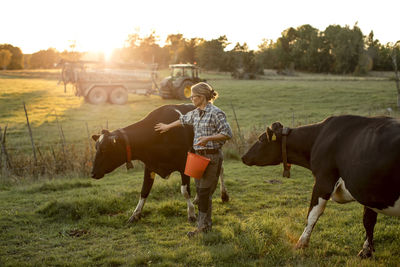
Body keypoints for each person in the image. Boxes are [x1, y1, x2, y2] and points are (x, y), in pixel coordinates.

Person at [154, 82, 233, 237]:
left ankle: (202, 228)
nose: (190, 99)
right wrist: (167, 127)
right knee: (200, 192)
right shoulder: (195, 112)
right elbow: (182, 120)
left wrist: (208, 138)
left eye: (193, 96)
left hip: (212, 156)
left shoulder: (216, 113)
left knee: (204, 193)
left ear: (202, 97)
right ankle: (205, 225)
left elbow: (227, 133)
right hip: (197, 157)